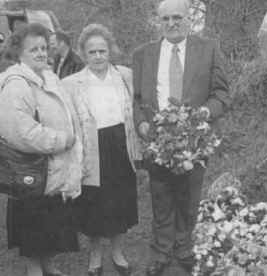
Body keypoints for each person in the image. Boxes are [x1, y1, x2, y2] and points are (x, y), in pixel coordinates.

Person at [132, 0, 231, 274]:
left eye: (177, 17)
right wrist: (141, 123)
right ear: (158, 21)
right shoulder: (143, 54)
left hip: (195, 142)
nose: (172, 23)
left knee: (188, 198)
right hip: (157, 141)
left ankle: (184, 249)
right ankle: (161, 252)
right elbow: (137, 100)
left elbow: (222, 94)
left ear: (189, 19)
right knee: (161, 198)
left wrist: (202, 115)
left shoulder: (208, 50)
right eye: (165, 19)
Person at [0, 23, 83, 276]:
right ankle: (34, 268)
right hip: (31, 172)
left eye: (44, 48)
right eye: (33, 48)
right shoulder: (16, 84)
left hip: (54, 171)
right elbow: (21, 133)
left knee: (51, 223)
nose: (40, 53)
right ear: (19, 53)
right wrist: (63, 140)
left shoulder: (50, 78)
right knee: (33, 226)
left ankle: (48, 264)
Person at [62, 23, 141, 276]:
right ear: (84, 54)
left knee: (121, 203)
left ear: (110, 51)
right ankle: (95, 255)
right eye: (92, 52)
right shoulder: (71, 84)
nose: (98, 56)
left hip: (120, 145)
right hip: (91, 151)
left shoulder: (125, 75)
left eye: (102, 51)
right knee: (94, 206)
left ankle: (118, 251)